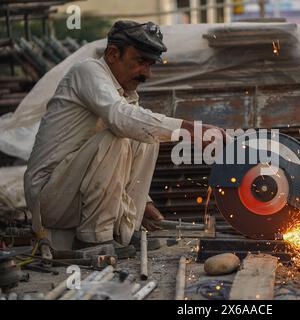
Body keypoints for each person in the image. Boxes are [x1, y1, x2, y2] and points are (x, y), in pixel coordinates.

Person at [24, 20, 224, 250]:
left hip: (73, 192)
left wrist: (143, 204)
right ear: (112, 54)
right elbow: (121, 119)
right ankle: (94, 238)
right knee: (117, 136)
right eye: (140, 62)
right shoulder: (87, 72)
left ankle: (125, 230)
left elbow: (137, 128)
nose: (146, 73)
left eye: (149, 65)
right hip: (49, 197)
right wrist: (190, 129)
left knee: (147, 136)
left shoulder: (125, 91)